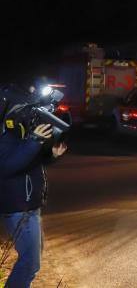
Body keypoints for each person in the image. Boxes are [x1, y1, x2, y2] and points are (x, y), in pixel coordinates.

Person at [1, 121, 67, 288]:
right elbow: (6, 166)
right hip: (18, 208)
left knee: (31, 261)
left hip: (29, 206)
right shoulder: (5, 131)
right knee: (30, 263)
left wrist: (51, 155)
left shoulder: (18, 128)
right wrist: (34, 141)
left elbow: (29, 161)